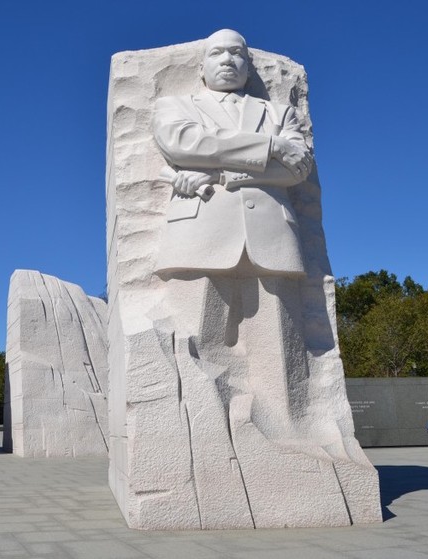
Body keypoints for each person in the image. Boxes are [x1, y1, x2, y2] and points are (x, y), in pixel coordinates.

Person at [151, 29, 315, 440]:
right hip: (200, 234)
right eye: (217, 53)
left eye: (237, 54)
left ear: (248, 65)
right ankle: (201, 437)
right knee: (196, 344)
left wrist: (224, 171)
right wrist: (268, 148)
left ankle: (288, 436)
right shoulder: (176, 105)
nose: (227, 60)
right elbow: (183, 142)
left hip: (273, 237)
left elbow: (298, 168)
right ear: (201, 66)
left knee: (280, 352)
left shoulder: (279, 112)